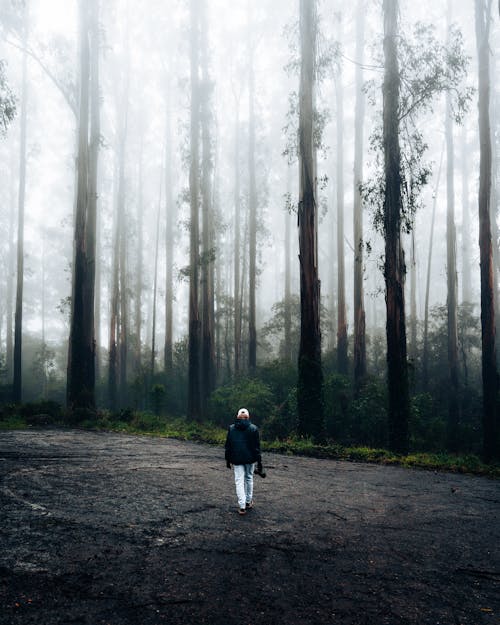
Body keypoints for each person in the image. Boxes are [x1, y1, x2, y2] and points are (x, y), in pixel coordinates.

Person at [225, 407, 263, 515]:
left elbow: (228, 446)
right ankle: (248, 502)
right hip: (250, 459)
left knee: (239, 481)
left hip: (236, 459)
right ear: (248, 417)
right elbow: (256, 447)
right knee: (249, 478)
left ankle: (242, 507)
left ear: (237, 417)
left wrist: (228, 460)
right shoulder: (253, 428)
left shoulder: (231, 428)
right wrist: (259, 461)